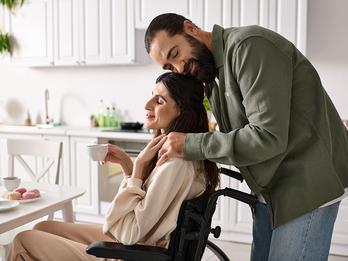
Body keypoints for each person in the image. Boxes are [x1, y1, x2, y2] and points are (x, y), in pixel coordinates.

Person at [144, 13, 348, 261]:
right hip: (270, 190)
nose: (179, 68)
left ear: (191, 28)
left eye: (175, 54)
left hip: (305, 183)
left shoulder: (248, 46)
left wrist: (190, 145)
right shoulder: (211, 75)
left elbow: (267, 136)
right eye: (169, 67)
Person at [7, 72, 219, 261]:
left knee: (24, 239)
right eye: (152, 95)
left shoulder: (174, 165)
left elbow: (129, 232)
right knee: (43, 227)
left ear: (181, 111)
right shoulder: (179, 156)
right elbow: (143, 216)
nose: (147, 105)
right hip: (141, 245)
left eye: (159, 100)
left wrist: (137, 171)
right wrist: (129, 166)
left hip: (137, 253)